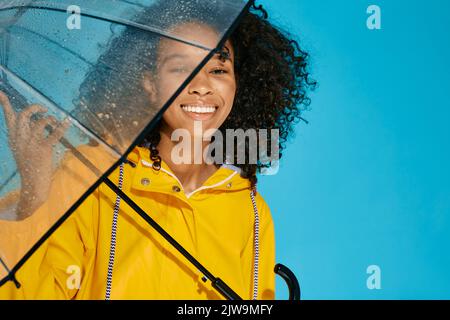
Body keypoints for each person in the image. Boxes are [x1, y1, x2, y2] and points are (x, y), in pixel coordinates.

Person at [0, 1, 315, 299]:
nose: (202, 85)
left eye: (218, 70)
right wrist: (34, 194)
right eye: (181, 68)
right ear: (149, 85)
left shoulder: (251, 208)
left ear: (237, 84)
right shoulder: (90, 174)